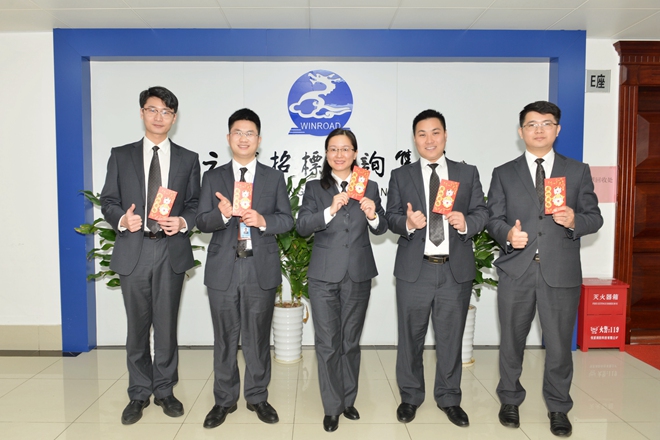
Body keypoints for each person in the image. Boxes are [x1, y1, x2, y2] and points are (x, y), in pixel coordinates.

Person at [487, 101, 603, 437]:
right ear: (520, 131)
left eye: (546, 123)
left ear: (558, 129)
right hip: (517, 271)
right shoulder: (503, 173)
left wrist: (575, 220)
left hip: (560, 272)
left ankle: (558, 406)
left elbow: (594, 217)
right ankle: (510, 399)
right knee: (511, 342)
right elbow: (493, 218)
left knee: (558, 345)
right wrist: (507, 234)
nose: (539, 130)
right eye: (532, 124)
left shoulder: (577, 170)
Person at [100, 86, 201, 425]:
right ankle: (139, 392)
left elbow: (195, 203)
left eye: (166, 112)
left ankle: (165, 390)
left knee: (167, 325)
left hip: (170, 248)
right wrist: (121, 219)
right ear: (142, 112)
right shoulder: (121, 155)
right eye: (153, 110)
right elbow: (108, 200)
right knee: (137, 326)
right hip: (135, 247)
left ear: (174, 118)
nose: (159, 117)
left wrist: (182, 221)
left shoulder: (188, 159)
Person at [385, 109, 488, 427]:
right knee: (410, 338)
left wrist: (466, 222)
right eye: (422, 134)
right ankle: (410, 397)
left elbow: (482, 212)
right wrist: (407, 223)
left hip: (453, 271)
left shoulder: (466, 173)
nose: (429, 139)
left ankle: (449, 398)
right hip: (415, 271)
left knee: (451, 338)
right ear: (414, 139)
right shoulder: (401, 176)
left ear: (445, 135)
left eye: (435, 132)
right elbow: (390, 216)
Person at [195, 108, 293, 429]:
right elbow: (201, 221)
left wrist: (263, 220)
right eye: (238, 132)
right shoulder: (213, 177)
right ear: (228, 138)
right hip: (223, 268)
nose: (243, 138)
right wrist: (223, 214)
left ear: (259, 140)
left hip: (259, 267)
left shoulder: (273, 177)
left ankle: (257, 396)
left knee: (257, 338)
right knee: (225, 338)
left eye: (250, 133)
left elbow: (286, 220)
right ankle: (224, 400)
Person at [297, 128, 388, 432]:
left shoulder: (370, 186)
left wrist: (373, 214)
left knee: (350, 342)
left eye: (345, 149)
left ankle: (349, 400)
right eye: (333, 149)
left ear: (355, 153)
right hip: (323, 276)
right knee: (327, 343)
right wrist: (329, 210)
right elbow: (302, 226)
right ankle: (332, 406)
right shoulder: (315, 188)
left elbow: (382, 226)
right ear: (326, 154)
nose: (339, 154)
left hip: (358, 274)